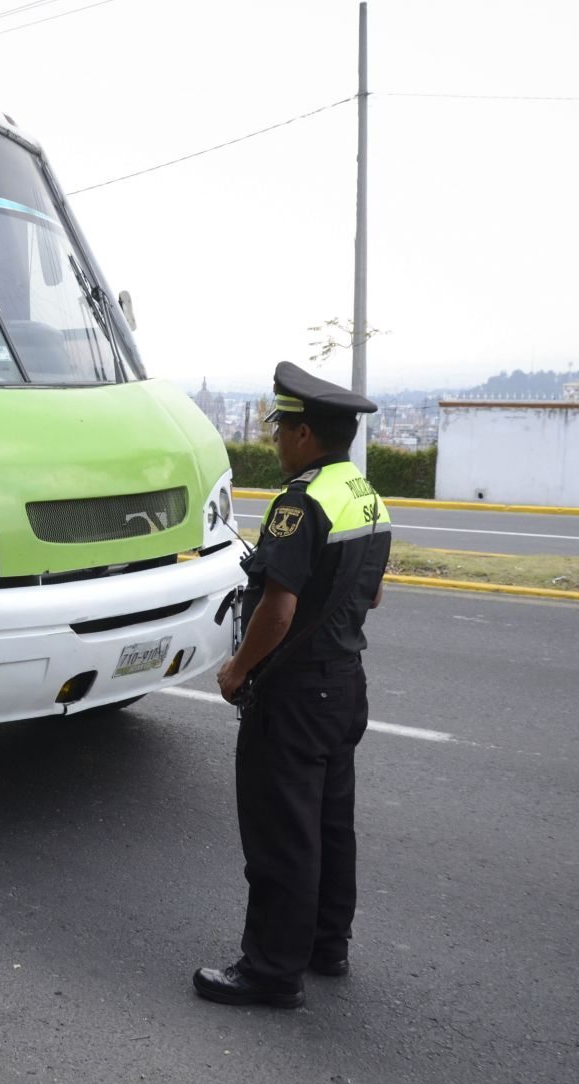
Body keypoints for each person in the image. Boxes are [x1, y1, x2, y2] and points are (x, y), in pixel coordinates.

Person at [195, 362, 392, 1010]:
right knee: (331, 823)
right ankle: (326, 945)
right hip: (345, 680)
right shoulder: (362, 492)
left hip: (297, 691)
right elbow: (375, 591)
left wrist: (236, 669)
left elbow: (277, 612)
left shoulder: (299, 502)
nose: (276, 440)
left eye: (281, 430)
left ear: (306, 435)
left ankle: (272, 968)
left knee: (283, 830)